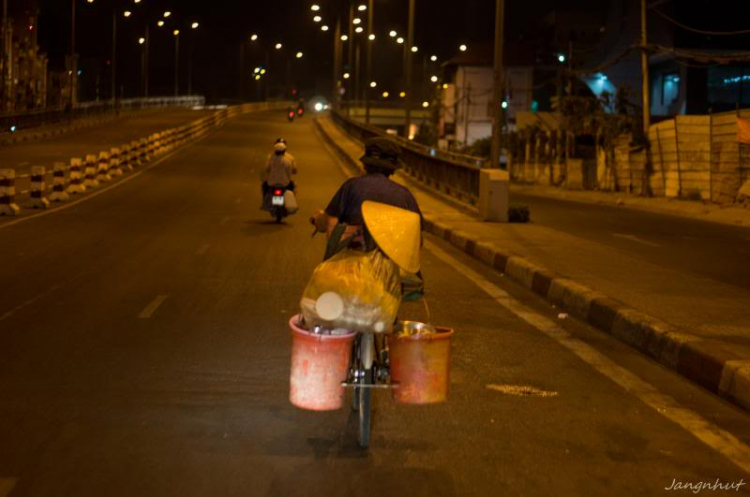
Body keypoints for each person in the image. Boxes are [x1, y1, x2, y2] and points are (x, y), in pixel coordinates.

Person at [317, 137, 421, 246]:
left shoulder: (351, 186)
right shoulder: (405, 195)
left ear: (365, 164)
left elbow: (331, 221)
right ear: (393, 169)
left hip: (354, 257)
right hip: (390, 259)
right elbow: (417, 236)